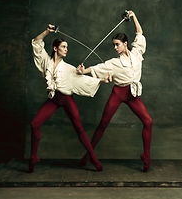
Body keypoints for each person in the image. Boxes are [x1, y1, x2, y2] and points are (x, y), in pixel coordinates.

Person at [77, 11, 152, 172]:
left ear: (126, 44)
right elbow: (97, 68)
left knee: (148, 121)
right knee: (103, 123)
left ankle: (146, 155)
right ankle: (89, 154)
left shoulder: (137, 53)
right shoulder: (113, 63)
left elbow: (139, 33)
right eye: (114, 45)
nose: (115, 47)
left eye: (117, 44)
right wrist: (83, 71)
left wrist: (133, 16)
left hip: (132, 94)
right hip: (119, 93)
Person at [29, 24, 110, 173]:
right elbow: (36, 42)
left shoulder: (69, 68)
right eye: (63, 47)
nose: (66, 49)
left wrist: (101, 80)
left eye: (67, 47)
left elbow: (84, 79)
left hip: (66, 99)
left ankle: (93, 157)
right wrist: (48, 31)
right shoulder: (46, 61)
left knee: (79, 128)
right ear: (55, 49)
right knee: (34, 124)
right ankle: (33, 156)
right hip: (53, 100)